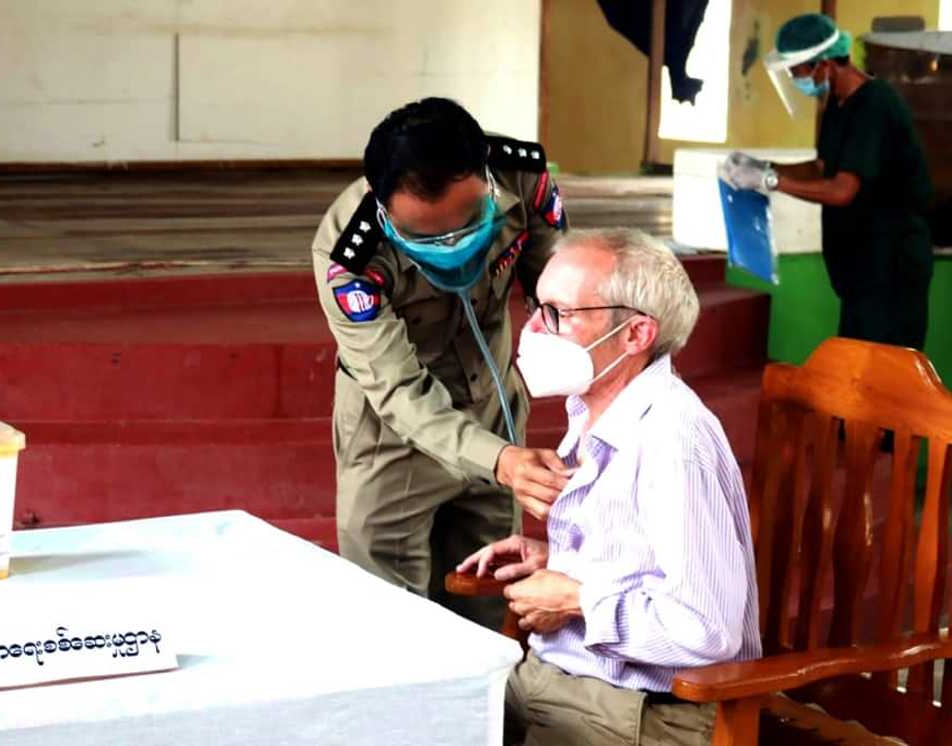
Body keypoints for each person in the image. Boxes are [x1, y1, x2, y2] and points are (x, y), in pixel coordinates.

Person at [457, 228, 761, 745]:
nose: (532, 329)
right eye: (536, 307)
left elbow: (706, 627)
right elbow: (645, 559)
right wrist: (559, 561)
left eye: (559, 313)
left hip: (639, 715)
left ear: (636, 335)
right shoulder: (599, 408)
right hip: (565, 683)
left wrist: (576, 598)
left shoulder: (671, 440)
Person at [311, 98, 572, 628]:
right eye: (425, 236)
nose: (452, 245)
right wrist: (500, 460)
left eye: (469, 222)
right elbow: (398, 391)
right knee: (386, 620)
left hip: (492, 408)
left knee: (486, 601)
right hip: (393, 439)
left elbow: (566, 296)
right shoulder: (350, 256)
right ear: (385, 209)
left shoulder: (520, 176)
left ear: (485, 180)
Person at [723, 13, 933, 349]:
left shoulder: (875, 105)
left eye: (797, 71)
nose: (795, 80)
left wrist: (770, 181)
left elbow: (842, 190)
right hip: (863, 270)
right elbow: (823, 169)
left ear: (823, 65)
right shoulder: (838, 103)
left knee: (883, 371)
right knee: (858, 362)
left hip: (891, 268)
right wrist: (765, 166)